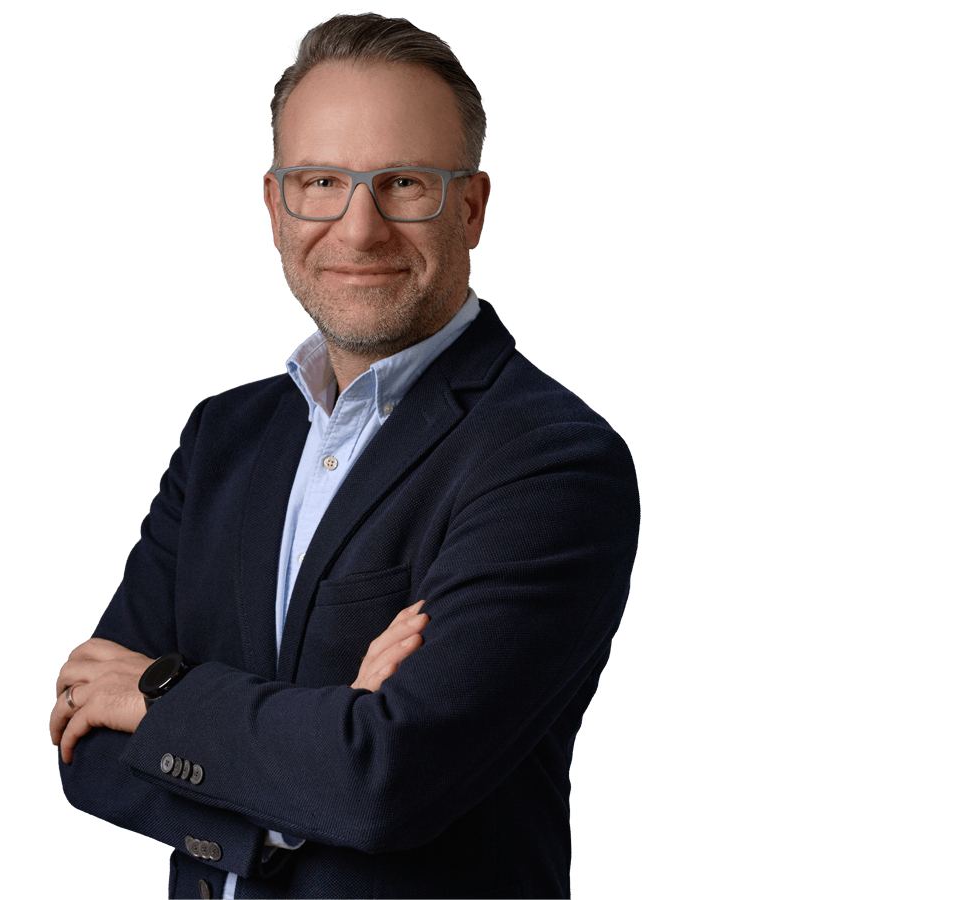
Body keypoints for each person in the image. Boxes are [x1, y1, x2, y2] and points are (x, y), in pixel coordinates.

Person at [51, 12, 639, 900]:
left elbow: (384, 781)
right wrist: (318, 740)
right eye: (321, 181)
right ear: (274, 204)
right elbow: (84, 745)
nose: (357, 230)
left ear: (472, 207)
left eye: (403, 183)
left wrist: (163, 695)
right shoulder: (223, 435)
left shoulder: (551, 460)